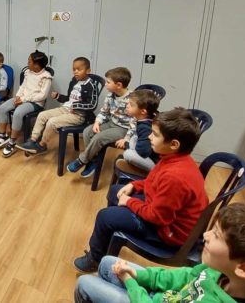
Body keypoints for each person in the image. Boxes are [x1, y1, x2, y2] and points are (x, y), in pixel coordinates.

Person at [74, 203, 245, 303]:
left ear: (244, 268)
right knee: (108, 262)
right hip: (167, 297)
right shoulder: (222, 271)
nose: (205, 235)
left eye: (216, 235)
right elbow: (183, 276)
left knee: (85, 284)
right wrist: (141, 277)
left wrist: (131, 283)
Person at [73, 108, 209, 273]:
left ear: (174, 144)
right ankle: (110, 236)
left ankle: (95, 258)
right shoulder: (174, 159)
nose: (149, 137)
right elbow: (154, 181)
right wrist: (135, 186)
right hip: (162, 213)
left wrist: (130, 202)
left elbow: (158, 217)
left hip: (168, 232)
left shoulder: (175, 177)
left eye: (155, 134)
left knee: (105, 217)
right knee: (116, 191)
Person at [16, 57, 100, 156]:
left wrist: (76, 105)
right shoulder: (74, 81)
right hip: (65, 109)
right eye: (74, 69)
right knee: (42, 115)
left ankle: (42, 145)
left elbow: (92, 104)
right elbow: (69, 98)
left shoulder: (91, 85)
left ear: (88, 71)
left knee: (52, 122)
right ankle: (32, 140)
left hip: (78, 115)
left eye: (79, 69)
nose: (76, 72)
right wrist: (58, 96)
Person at [67, 67, 133, 178]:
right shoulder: (110, 95)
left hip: (124, 128)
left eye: (108, 82)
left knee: (98, 138)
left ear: (119, 85)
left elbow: (136, 122)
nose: (105, 84)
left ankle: (82, 160)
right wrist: (97, 122)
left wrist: (127, 139)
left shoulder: (132, 99)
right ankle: (93, 160)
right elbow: (104, 112)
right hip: (111, 123)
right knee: (87, 131)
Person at [0, 51, 52, 158]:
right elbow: (23, 86)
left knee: (17, 112)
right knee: (3, 107)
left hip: (35, 103)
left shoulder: (46, 77)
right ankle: (3, 135)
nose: (27, 63)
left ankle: (12, 141)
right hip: (22, 98)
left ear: (37, 65)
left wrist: (24, 99)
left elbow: (42, 96)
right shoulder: (28, 72)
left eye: (29, 61)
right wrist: (18, 96)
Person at [116, 89, 160, 173]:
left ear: (143, 111)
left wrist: (127, 145)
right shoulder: (146, 119)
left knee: (128, 154)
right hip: (145, 150)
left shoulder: (146, 127)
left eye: (131, 105)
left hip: (153, 162)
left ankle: (154, 172)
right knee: (134, 138)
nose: (127, 105)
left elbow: (143, 152)